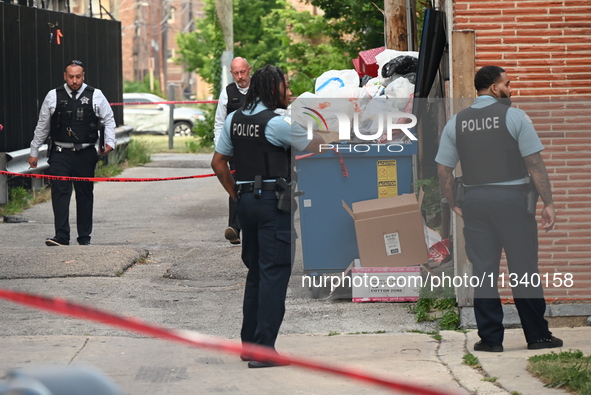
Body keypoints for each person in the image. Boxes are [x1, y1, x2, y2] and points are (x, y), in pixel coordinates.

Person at [436, 65, 562, 352]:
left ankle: (491, 339)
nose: (511, 88)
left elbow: (444, 170)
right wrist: (549, 202)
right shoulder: (515, 117)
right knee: (524, 269)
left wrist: (454, 202)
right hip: (513, 202)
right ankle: (537, 336)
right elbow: (535, 164)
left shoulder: (456, 122)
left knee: (483, 272)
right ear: (495, 88)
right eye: (507, 83)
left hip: (476, 202)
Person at [211, 65, 323, 368]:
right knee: (274, 273)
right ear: (271, 88)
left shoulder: (235, 119)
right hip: (272, 204)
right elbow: (313, 143)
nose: (288, 92)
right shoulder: (275, 123)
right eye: (284, 86)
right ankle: (264, 351)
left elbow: (218, 162)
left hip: (246, 203)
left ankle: (250, 346)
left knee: (257, 274)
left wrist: (237, 194)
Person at [28, 60, 116, 246]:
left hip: (85, 153)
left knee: (85, 194)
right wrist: (34, 150)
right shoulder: (53, 96)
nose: (74, 81)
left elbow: (108, 120)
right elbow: (42, 125)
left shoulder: (96, 95)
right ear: (64, 76)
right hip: (60, 152)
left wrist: (110, 142)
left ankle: (84, 236)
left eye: (78, 77)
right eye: (71, 77)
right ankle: (61, 236)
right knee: (60, 192)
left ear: (83, 76)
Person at [213, 57, 252, 245]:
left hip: (256, 147)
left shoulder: (259, 90)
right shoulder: (227, 93)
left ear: (249, 70)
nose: (240, 77)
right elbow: (219, 123)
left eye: (242, 72)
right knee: (235, 186)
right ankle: (234, 229)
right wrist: (220, 149)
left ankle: (254, 227)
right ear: (231, 73)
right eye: (236, 73)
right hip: (235, 149)